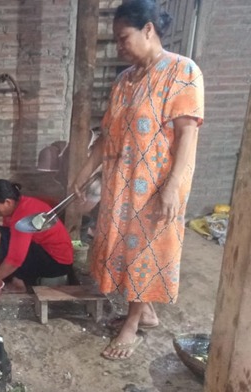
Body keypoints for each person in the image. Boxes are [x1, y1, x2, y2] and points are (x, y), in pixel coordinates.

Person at [72, 0, 204, 360]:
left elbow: (188, 136)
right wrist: (84, 171)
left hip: (157, 184)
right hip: (121, 183)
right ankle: (145, 311)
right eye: (115, 40)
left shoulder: (182, 71)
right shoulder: (124, 80)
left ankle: (131, 324)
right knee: (123, 248)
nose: (119, 47)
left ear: (148, 30)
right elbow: (106, 137)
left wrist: (173, 186)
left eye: (123, 38)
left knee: (145, 251)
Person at [0, 179, 73, 292]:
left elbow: (15, 260)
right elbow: (6, 241)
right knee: (1, 235)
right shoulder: (16, 207)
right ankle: (13, 278)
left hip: (57, 263)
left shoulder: (23, 216)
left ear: (8, 202)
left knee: (8, 245)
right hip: (44, 252)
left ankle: (19, 283)